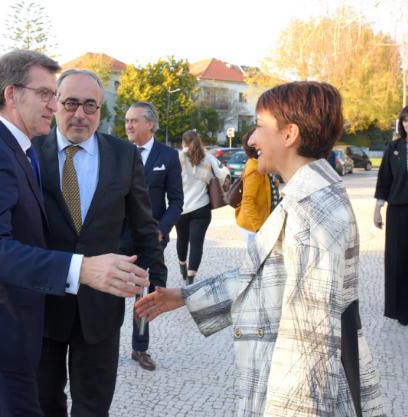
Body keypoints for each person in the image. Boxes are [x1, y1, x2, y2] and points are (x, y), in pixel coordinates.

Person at [136, 81, 387, 417]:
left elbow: (310, 341)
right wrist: (185, 296)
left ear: (289, 134)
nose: (252, 140)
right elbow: (266, 275)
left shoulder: (313, 212)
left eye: (258, 126)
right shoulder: (306, 196)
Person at [0, 68, 165, 417]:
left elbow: (143, 224)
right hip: (40, 306)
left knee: (93, 406)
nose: (80, 114)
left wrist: (157, 279)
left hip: (100, 309)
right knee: (45, 403)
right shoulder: (28, 149)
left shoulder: (124, 155)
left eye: (90, 106)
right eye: (71, 103)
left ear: (101, 112)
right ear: (56, 104)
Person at [121, 101, 183, 371]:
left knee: (145, 294)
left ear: (150, 123)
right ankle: (101, 347)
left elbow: (177, 202)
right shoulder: (120, 153)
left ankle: (140, 348)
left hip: (152, 239)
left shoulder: (168, 156)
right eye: (127, 120)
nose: (129, 125)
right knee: (110, 292)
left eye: (134, 120)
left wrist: (161, 230)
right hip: (119, 237)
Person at [175, 130, 227, 284]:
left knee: (182, 239)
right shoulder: (208, 157)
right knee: (197, 243)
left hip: (181, 208)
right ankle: (190, 278)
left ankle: (182, 265)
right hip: (202, 208)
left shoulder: (177, 157)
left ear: (183, 142)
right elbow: (221, 177)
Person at [374, 105, 408, 326]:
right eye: (405, 121)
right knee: (398, 261)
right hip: (398, 212)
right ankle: (401, 310)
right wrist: (377, 209)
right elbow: (384, 180)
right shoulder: (394, 148)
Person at [234, 128, 280, 244]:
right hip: (253, 228)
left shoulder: (261, 163)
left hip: (262, 223)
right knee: (257, 261)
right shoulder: (255, 169)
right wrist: (259, 228)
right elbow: (247, 201)